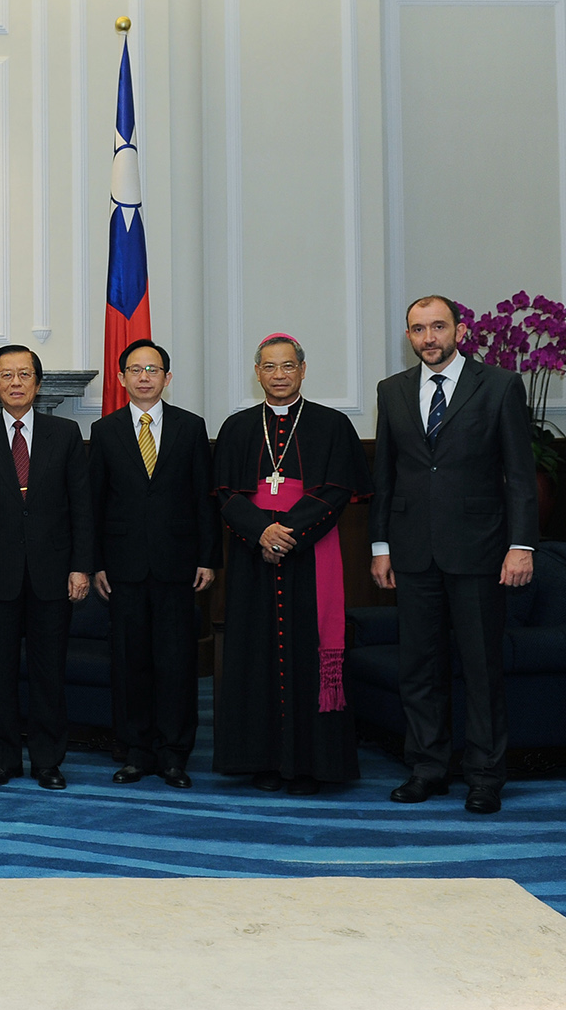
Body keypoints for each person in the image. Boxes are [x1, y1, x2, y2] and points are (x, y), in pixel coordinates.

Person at [371, 295, 539, 815]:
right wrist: (380, 546)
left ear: (460, 332)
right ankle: (428, 768)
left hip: (481, 552)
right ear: (409, 336)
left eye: (438, 327)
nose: (429, 338)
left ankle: (485, 775)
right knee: (419, 667)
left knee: (481, 667)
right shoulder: (392, 391)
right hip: (413, 552)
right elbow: (385, 476)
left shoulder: (500, 385)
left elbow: (519, 475)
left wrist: (521, 545)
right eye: (418, 329)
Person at [211, 334, 372, 795]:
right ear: (257, 372)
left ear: (303, 370)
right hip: (251, 554)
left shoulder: (331, 424)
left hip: (311, 553)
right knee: (255, 653)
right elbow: (226, 493)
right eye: (269, 367)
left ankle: (312, 763)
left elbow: (338, 489)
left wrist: (288, 536)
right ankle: (261, 759)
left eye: (287, 366)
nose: (278, 375)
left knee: (309, 650)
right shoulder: (239, 427)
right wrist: (261, 531)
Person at [0, 345, 93, 790]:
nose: (16, 383)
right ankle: (4, 760)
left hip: (54, 573)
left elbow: (82, 508)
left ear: (38, 382)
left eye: (25, 374)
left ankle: (48, 761)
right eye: (7, 375)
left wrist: (81, 567)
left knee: (49, 670)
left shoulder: (66, 432)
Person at [88, 340, 220, 789]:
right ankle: (136, 751)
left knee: (176, 662)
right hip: (122, 568)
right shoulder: (105, 432)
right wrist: (97, 563)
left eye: (153, 369)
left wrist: (207, 557)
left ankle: (174, 753)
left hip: (178, 565)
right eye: (135, 369)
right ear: (121, 378)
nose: (144, 376)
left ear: (167, 378)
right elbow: (95, 505)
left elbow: (205, 498)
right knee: (130, 663)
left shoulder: (190, 427)